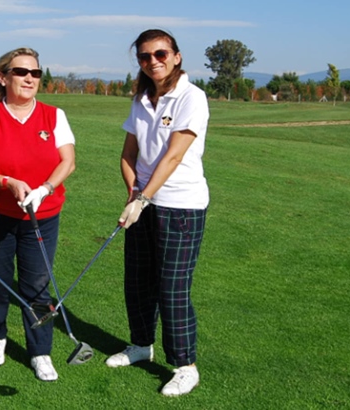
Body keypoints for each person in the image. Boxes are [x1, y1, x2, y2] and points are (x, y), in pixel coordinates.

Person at [108, 29, 210, 397]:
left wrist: (143, 198)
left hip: (181, 205)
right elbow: (127, 154)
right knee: (137, 281)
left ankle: (185, 365)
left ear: (177, 56)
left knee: (172, 288)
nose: (153, 61)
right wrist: (133, 193)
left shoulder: (192, 97)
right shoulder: (141, 98)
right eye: (145, 56)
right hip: (144, 203)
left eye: (161, 53)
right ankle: (140, 345)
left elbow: (174, 155)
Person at [0, 47, 76, 382]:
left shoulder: (53, 115)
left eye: (35, 73)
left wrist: (45, 188)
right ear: (3, 77)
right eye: (21, 72)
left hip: (42, 215)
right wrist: (7, 182)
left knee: (37, 285)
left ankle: (40, 351)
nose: (29, 78)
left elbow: (67, 161)